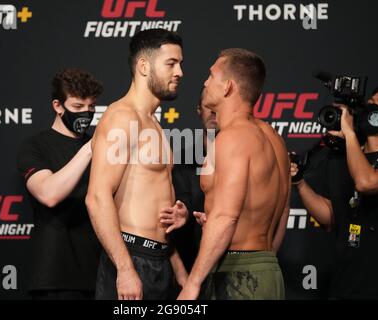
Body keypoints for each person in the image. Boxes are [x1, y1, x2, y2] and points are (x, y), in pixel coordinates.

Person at [178, 48, 290, 300]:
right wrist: (262, 261)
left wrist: (192, 284)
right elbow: (282, 211)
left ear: (228, 87)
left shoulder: (232, 138)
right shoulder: (273, 138)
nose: (205, 82)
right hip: (266, 269)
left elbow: (226, 216)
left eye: (211, 76)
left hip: (239, 275)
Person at [86, 29, 188, 300]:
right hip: (132, 260)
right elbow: (97, 197)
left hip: (159, 261)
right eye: (171, 63)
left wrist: (177, 269)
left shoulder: (153, 123)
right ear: (143, 66)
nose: (180, 72)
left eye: (180, 64)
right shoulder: (122, 117)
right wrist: (125, 269)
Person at [291, 85, 378, 299]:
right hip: (347, 282)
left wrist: (350, 134)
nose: (373, 109)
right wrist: (299, 183)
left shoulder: (354, 156)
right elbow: (333, 217)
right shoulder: (342, 159)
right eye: (370, 104)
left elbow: (367, 182)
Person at [17, 68, 103, 299]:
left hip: (103, 274)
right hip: (57, 276)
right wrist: (89, 149)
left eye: (91, 107)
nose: (85, 114)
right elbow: (49, 194)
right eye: (77, 107)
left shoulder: (103, 147)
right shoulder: (35, 146)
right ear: (58, 105)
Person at [172, 92, 218, 272]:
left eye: (218, 106)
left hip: (232, 261)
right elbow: (181, 202)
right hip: (190, 261)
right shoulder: (181, 159)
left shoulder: (245, 158)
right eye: (208, 106)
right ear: (199, 110)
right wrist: (184, 211)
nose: (213, 112)